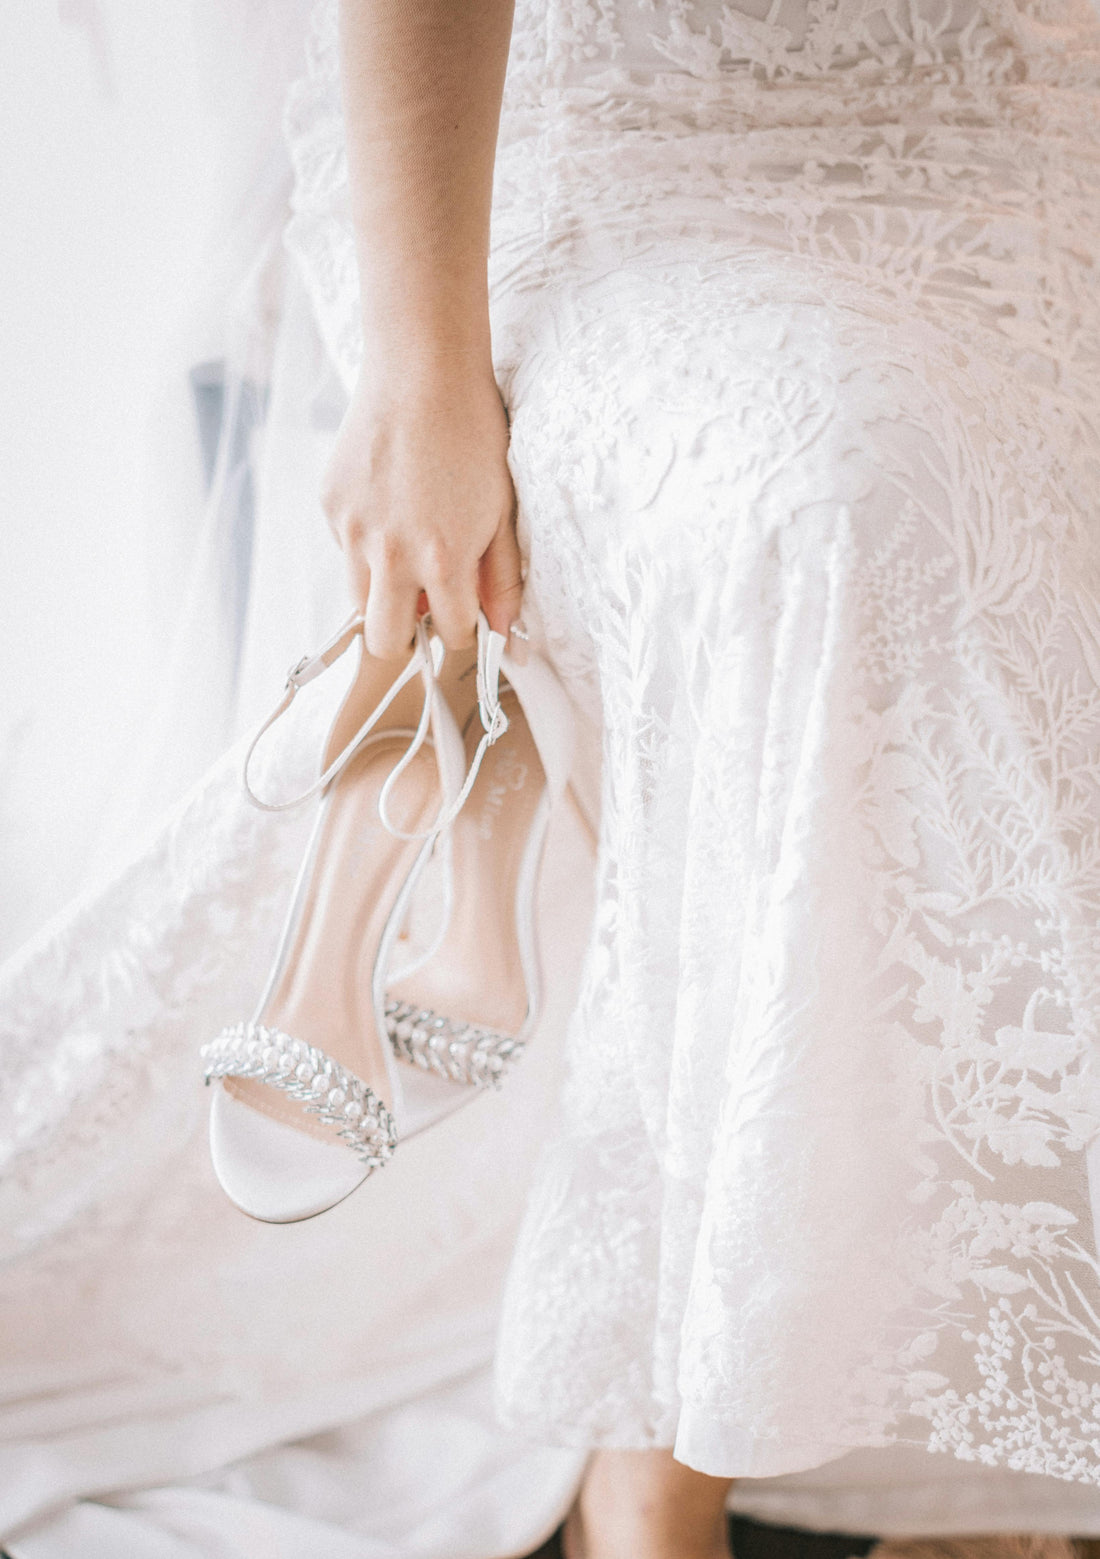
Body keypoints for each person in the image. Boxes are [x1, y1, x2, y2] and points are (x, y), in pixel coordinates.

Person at [2, 0, 1100, 1554]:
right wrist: (422, 371)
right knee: (853, 504)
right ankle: (655, 1446)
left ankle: (978, 1436)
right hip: (609, 135)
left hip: (1030, 117)